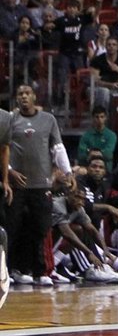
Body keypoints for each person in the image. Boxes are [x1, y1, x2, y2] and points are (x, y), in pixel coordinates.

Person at [7, 85, 73, 287]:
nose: (24, 96)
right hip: (16, 185)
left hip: (41, 185)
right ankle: (13, 270)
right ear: (16, 99)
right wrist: (9, 171)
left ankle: (41, 272)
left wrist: (68, 172)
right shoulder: (9, 119)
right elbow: (2, 148)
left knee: (40, 229)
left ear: (34, 97)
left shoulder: (48, 120)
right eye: (20, 93)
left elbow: (58, 148)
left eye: (27, 93)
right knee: (13, 229)